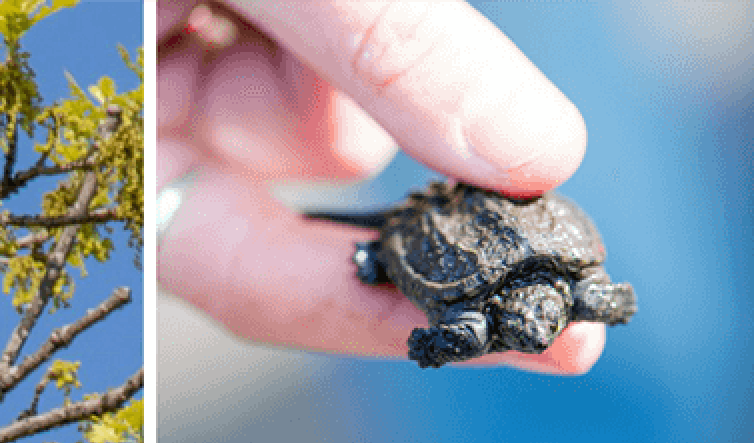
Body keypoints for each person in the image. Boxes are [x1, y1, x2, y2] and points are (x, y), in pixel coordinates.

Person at [158, 0, 605, 373]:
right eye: (528, 321)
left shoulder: (559, 284)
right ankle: (380, 255)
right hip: (445, 215)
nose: (531, 331)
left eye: (535, 322)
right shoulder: (487, 317)